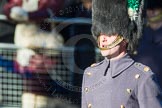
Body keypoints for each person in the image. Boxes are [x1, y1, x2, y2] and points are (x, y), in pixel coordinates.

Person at [82, 0, 162, 108]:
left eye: (110, 34)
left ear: (125, 38)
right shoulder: (90, 74)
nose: (103, 39)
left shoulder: (143, 77)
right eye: (100, 34)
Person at [133, 0, 162, 87]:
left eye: (156, 8)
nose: (152, 12)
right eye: (149, 9)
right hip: (142, 90)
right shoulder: (138, 36)